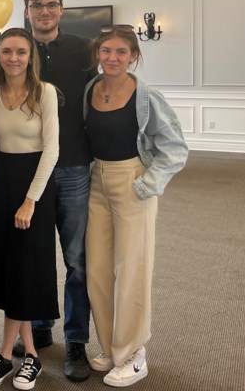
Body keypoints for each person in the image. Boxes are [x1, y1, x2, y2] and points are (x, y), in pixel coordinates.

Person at [83, 26, 188, 388]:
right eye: (107, 51)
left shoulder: (146, 96)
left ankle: (134, 354)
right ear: (98, 54)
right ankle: (113, 348)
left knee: (132, 269)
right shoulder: (90, 89)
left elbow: (175, 148)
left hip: (133, 181)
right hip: (96, 180)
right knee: (97, 268)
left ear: (133, 57)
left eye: (121, 52)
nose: (113, 58)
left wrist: (148, 184)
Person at [0, 28, 59, 390]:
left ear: (30, 56)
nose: (13, 58)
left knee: (26, 265)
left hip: (35, 184)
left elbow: (52, 150)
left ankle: (6, 355)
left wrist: (30, 200)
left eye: (21, 52)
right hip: (4, 180)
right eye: (6, 51)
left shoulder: (46, 93)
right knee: (9, 264)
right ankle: (33, 356)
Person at [20, 0, 97, 382]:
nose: (45, 12)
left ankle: (76, 342)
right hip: (29, 170)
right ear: (27, 10)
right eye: (37, 6)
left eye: (52, 5)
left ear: (62, 10)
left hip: (72, 167)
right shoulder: (16, 49)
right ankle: (39, 327)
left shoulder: (84, 50)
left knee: (76, 260)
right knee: (34, 256)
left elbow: (97, 99)